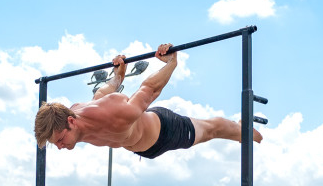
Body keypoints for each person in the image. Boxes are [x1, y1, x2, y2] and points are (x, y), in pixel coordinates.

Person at [34, 44, 262, 159]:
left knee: (211, 131)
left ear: (72, 122)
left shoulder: (114, 113)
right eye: (57, 144)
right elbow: (102, 93)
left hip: (164, 131)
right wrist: (118, 75)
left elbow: (149, 89)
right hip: (140, 148)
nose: (61, 147)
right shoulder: (77, 113)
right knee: (209, 132)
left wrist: (171, 63)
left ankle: (243, 131)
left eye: (60, 139)